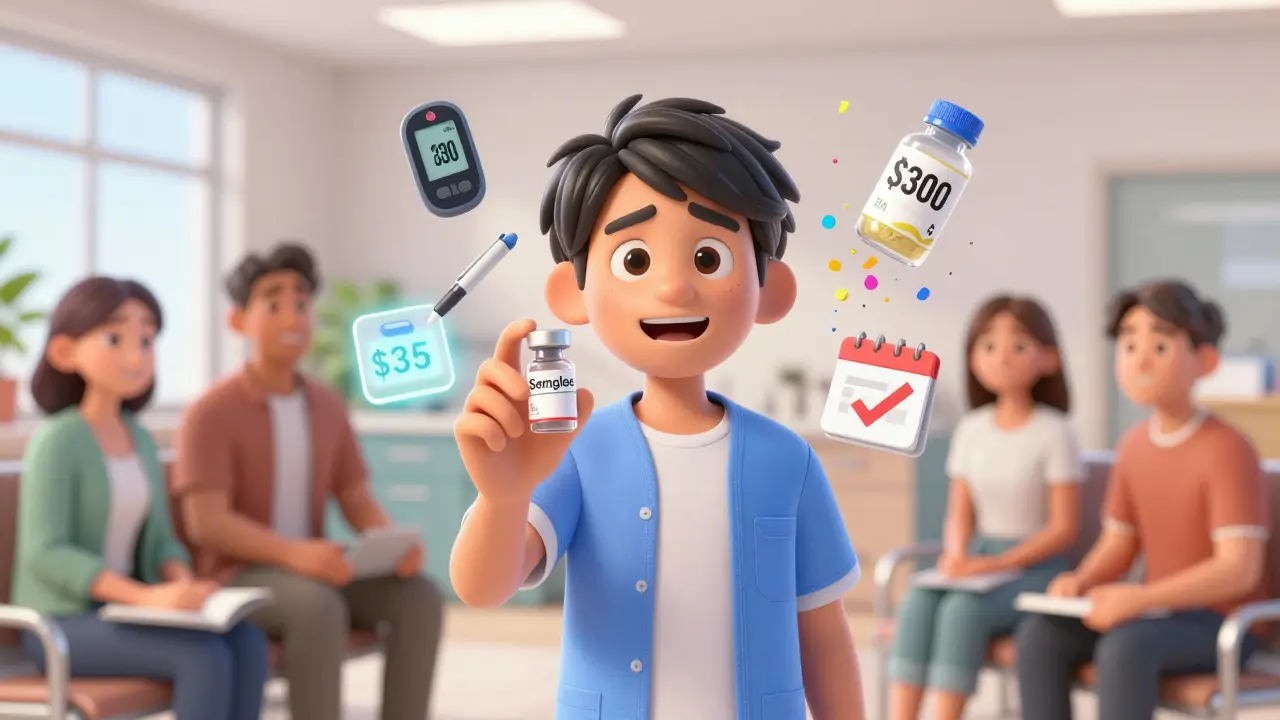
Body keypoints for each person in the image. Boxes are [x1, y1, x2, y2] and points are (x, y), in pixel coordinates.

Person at [450, 95, 865, 720]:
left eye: (708, 257)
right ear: (574, 292)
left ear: (769, 287)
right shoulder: (575, 449)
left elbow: (824, 636)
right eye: (635, 260)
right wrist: (503, 498)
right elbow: (482, 589)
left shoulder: (789, 460)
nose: (674, 287)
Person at [171, 243, 444, 720]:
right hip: (237, 577)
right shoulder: (209, 412)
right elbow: (206, 523)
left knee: (419, 595)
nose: (293, 317)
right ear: (238, 322)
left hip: (314, 568)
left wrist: (389, 543)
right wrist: (294, 554)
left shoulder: (326, 406)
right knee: (316, 608)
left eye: (302, 304)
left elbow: (355, 495)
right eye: (273, 304)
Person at [10, 277, 269, 719]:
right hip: (61, 622)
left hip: (123, 609)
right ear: (64, 352)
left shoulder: (142, 441)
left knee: (247, 641)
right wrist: (143, 598)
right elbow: (47, 553)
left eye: (147, 339)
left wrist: (181, 582)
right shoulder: (57, 440)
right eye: (115, 338)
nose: (136, 354)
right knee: (202, 656)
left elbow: (162, 539)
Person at [1016, 279, 1269, 720]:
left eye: (1160, 346)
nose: (1141, 360)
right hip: (1158, 611)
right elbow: (1119, 541)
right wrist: (1082, 580)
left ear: (1204, 360)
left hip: (1221, 623)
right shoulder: (1133, 446)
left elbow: (1238, 570)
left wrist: (1140, 599)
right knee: (1040, 636)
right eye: (1129, 345)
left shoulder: (1229, 449)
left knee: (1126, 648)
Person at [888, 295, 1082, 720]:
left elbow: (1063, 528)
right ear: (972, 358)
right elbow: (960, 509)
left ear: (1048, 358)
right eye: (988, 347)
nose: (1002, 358)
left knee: (962, 611)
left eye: (1018, 346)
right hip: (980, 560)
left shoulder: (1055, 433)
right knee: (919, 599)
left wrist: (1001, 564)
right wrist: (957, 554)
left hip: (1037, 569)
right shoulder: (971, 429)